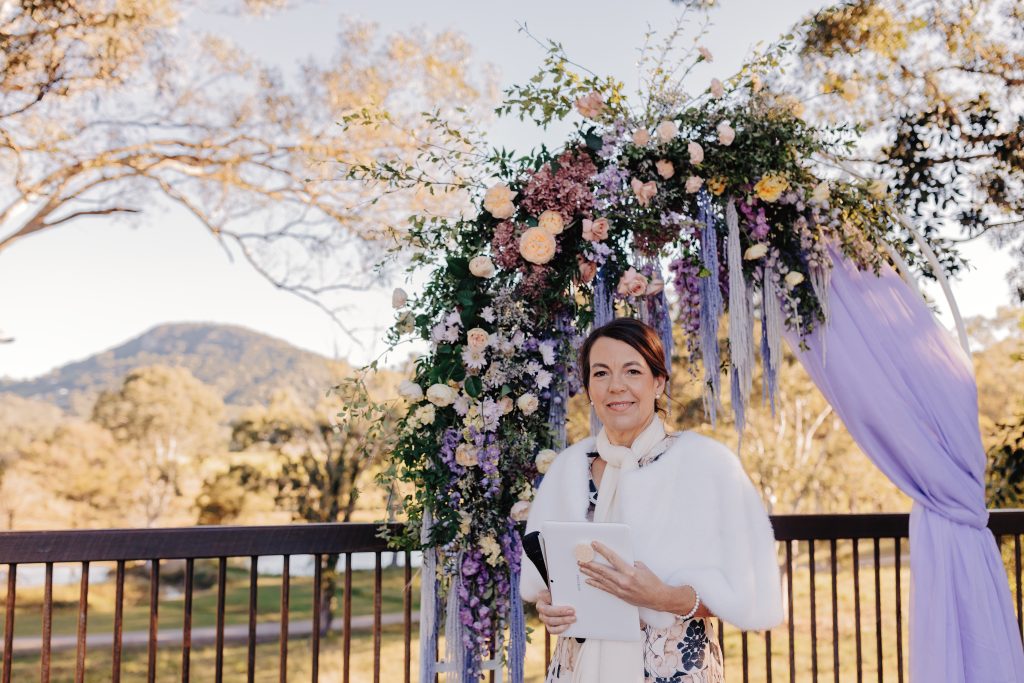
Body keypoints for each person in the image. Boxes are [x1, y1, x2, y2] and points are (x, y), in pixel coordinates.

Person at [520, 317, 784, 683]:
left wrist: (665, 598)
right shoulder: (567, 471)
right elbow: (547, 585)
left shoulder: (704, 464)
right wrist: (550, 609)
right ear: (588, 388)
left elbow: (749, 590)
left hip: (672, 667)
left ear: (658, 382)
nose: (616, 387)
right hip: (576, 668)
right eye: (600, 374)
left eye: (632, 371)